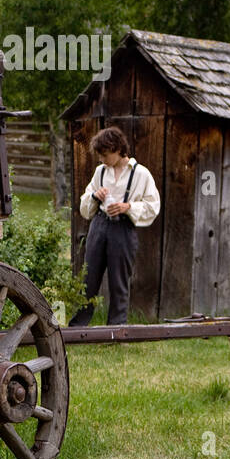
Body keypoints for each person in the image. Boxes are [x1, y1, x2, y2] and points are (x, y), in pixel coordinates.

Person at [68, 126, 161, 326]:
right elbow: (85, 205)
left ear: (118, 150)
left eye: (104, 154)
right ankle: (78, 325)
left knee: (119, 280)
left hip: (123, 229)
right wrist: (95, 196)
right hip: (99, 225)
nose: (101, 159)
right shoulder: (100, 172)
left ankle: (117, 328)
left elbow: (153, 206)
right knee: (89, 276)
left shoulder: (141, 174)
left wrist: (128, 207)